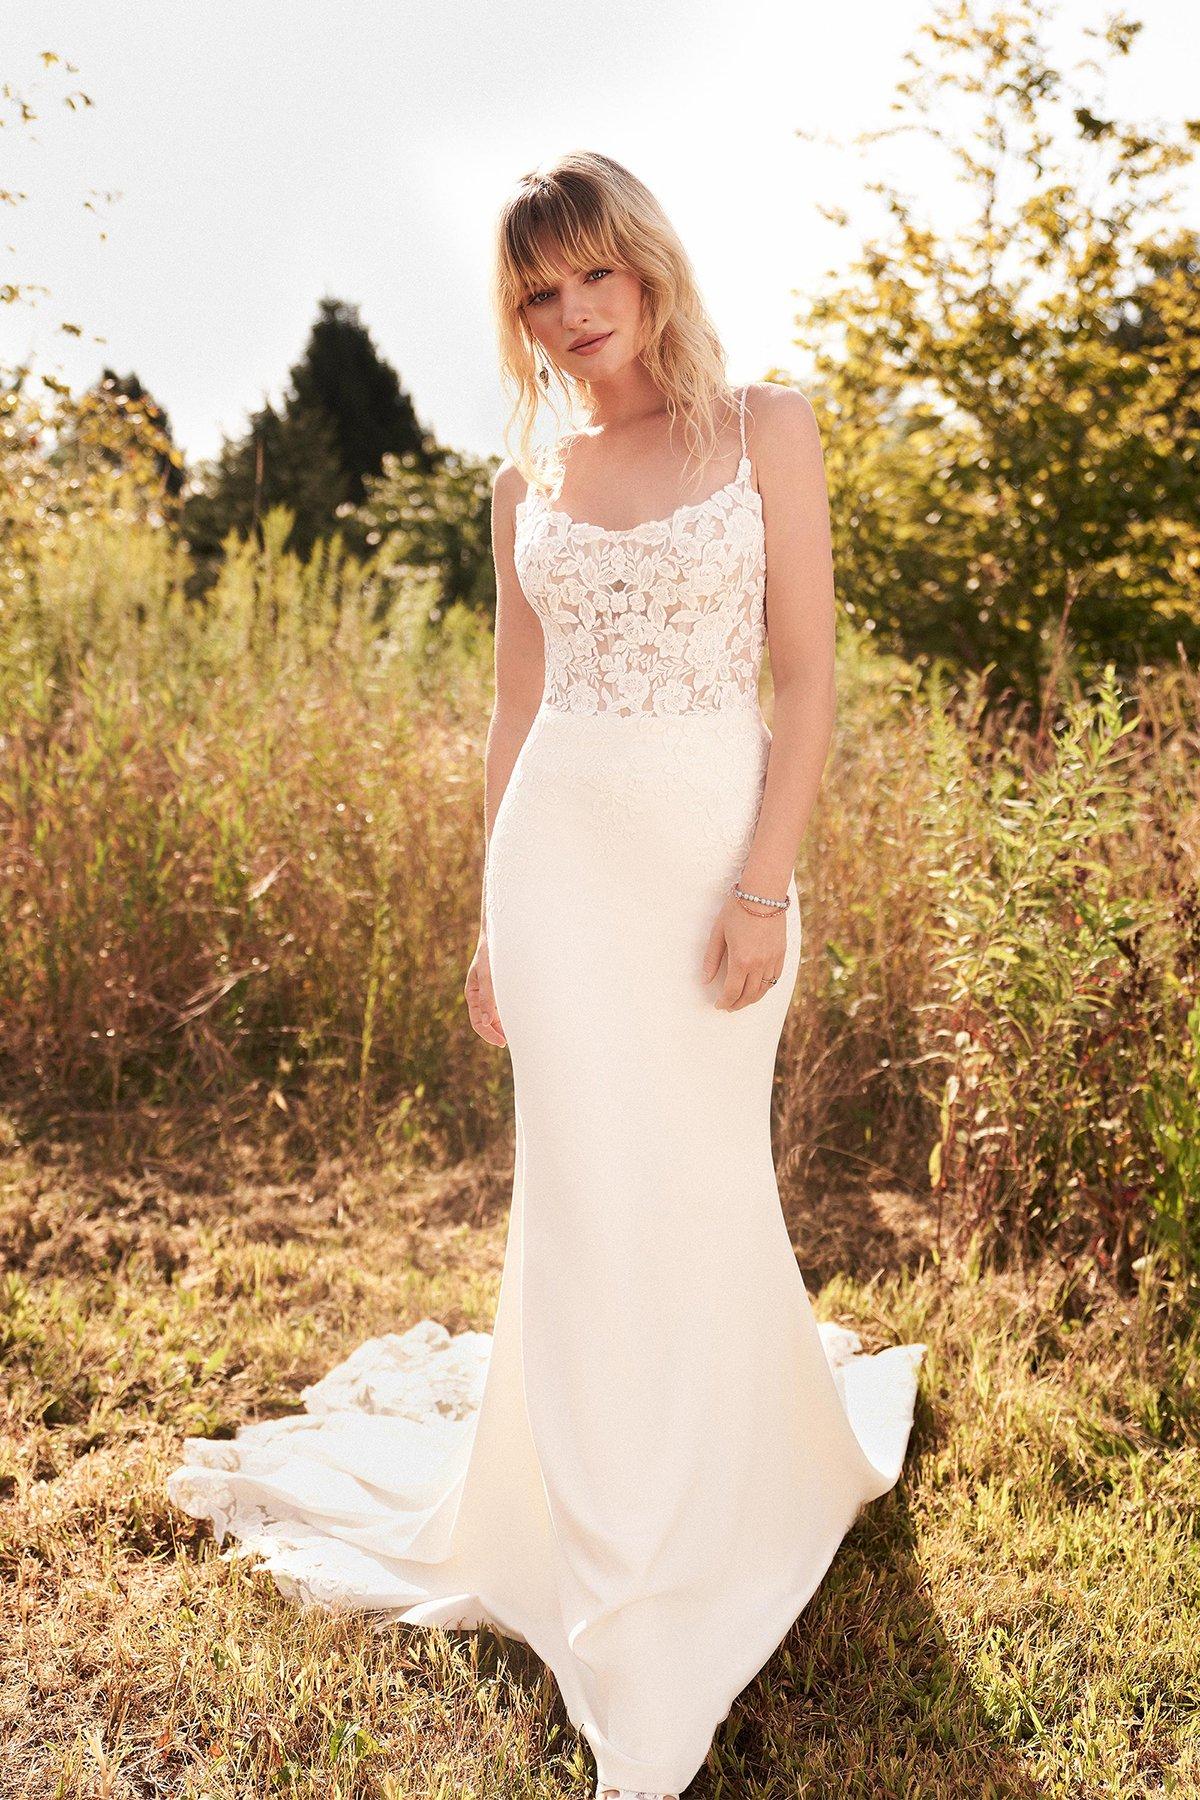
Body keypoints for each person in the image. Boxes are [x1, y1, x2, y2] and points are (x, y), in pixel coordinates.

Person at [167, 150, 926, 1800]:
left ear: (646, 266)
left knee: (697, 1174)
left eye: (593, 277)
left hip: (716, 860)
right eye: (539, 295)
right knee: (582, 1190)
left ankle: (726, 1478)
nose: (573, 316)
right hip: (559, 868)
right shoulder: (528, 488)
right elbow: (519, 715)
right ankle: (602, 1537)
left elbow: (806, 681)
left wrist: (765, 887)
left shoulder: (768, 428)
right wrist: (486, 919)